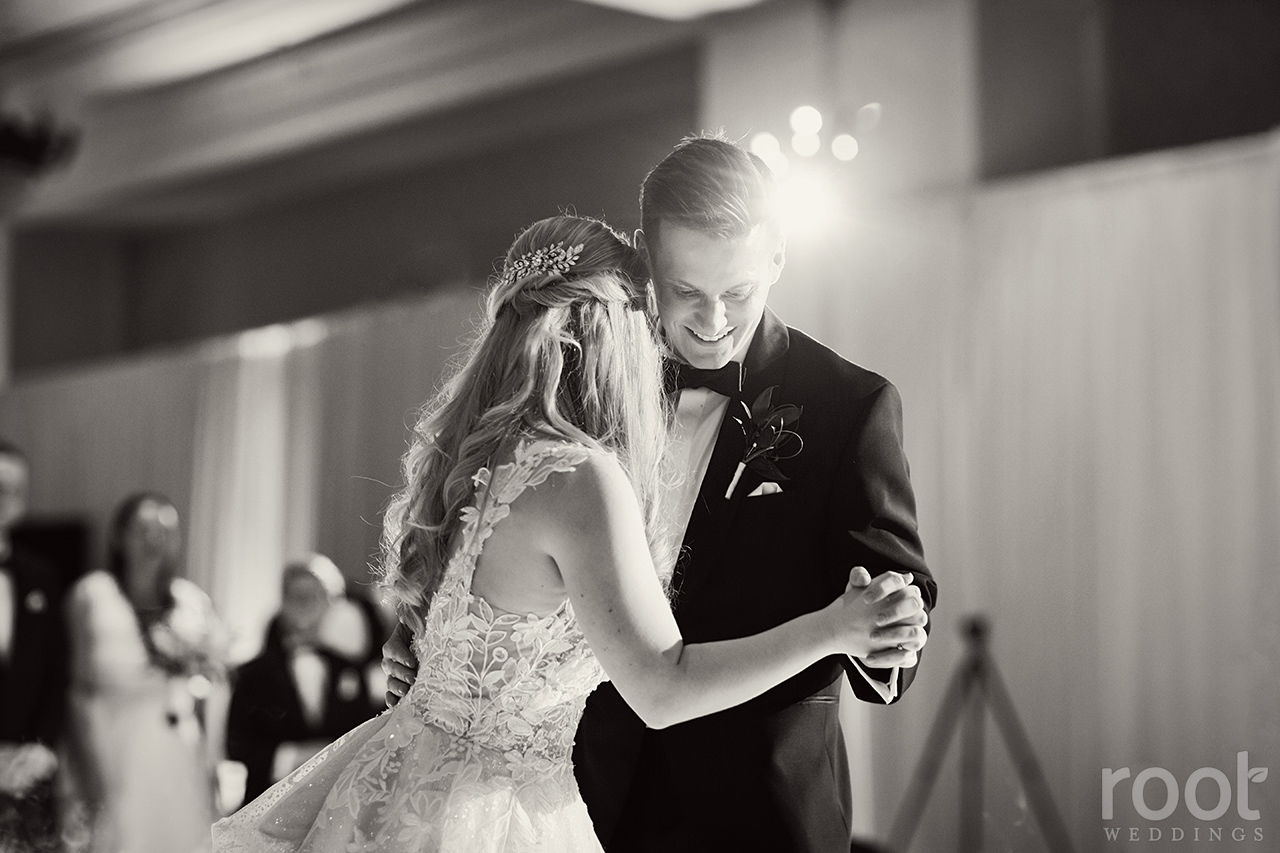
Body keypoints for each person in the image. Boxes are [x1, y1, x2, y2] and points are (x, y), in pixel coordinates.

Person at [212, 214, 921, 853]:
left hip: (411, 786)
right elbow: (659, 686)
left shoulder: (477, 458)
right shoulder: (578, 477)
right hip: (502, 816)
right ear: (616, 330)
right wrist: (835, 627)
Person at [384, 135, 938, 852]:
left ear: (777, 258)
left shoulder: (847, 405)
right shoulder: (586, 382)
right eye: (686, 292)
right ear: (648, 263)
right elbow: (505, 536)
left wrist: (893, 621)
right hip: (584, 790)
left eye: (737, 293)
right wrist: (432, 636)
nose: (712, 322)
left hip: (755, 808)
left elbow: (895, 579)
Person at [64, 492, 229, 853]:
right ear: (119, 536)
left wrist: (212, 767)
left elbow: (212, 688)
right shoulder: (92, 595)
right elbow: (75, 690)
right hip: (113, 750)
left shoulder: (190, 600)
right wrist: (88, 775)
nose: (154, 540)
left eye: (165, 531)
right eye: (143, 529)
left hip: (177, 753)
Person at [226, 554, 381, 805]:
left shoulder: (350, 670)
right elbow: (237, 746)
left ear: (331, 603)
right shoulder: (252, 674)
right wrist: (295, 757)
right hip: (267, 801)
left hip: (331, 804)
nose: (306, 605)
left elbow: (363, 737)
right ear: (283, 602)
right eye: (298, 597)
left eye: (315, 597)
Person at [0, 440, 68, 853]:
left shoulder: (41, 575)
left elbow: (55, 671)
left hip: (24, 771)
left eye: (15, 488)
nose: (6, 497)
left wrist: (40, 745)